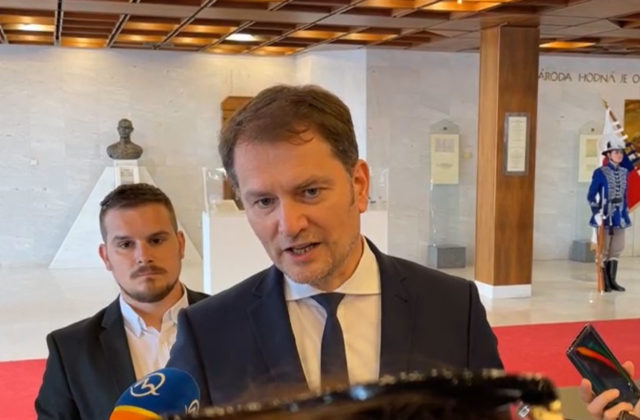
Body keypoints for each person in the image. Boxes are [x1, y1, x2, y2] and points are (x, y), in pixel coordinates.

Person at [167, 84, 502, 406]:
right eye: (264, 201)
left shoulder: (454, 309)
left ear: (359, 185)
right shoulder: (208, 332)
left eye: (310, 192)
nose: (290, 225)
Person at [35, 183, 208, 420]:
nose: (143, 256)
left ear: (180, 244)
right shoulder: (71, 350)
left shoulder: (232, 322)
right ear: (106, 256)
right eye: (126, 245)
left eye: (156, 240)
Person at [587, 140, 631, 292]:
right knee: (604, 250)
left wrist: (625, 211)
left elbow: (625, 195)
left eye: (621, 152)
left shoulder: (624, 172)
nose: (619, 155)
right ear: (608, 155)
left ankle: (612, 281)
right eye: (616, 152)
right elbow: (591, 196)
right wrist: (596, 212)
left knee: (617, 248)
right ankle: (604, 281)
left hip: (620, 216)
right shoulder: (600, 173)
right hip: (605, 215)